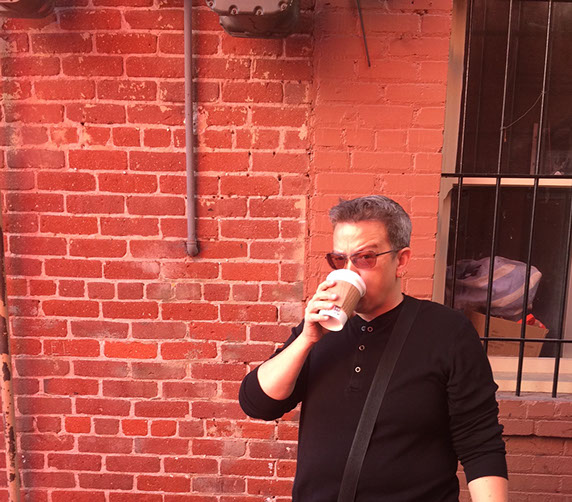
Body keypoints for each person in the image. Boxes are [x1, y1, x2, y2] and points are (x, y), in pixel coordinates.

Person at [239, 195, 508, 501]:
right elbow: (258, 404)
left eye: (364, 258)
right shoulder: (318, 330)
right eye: (340, 260)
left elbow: (480, 441)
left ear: (401, 260)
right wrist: (306, 340)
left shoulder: (448, 332)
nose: (350, 271)